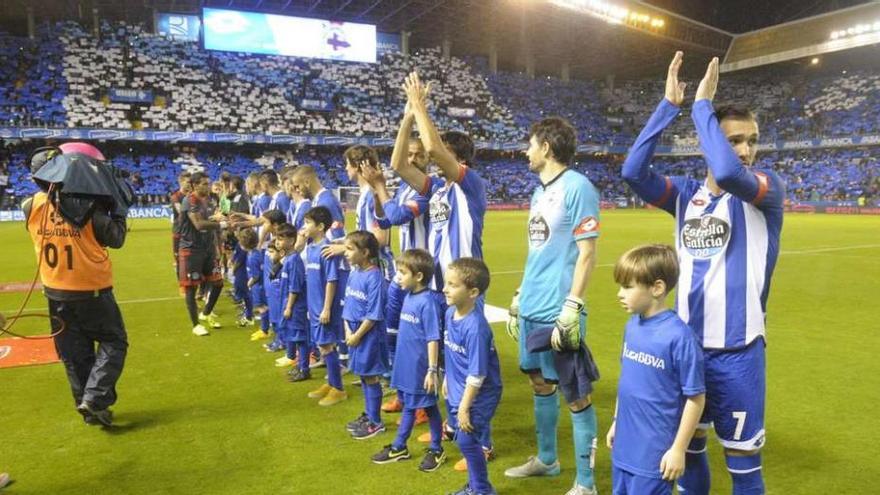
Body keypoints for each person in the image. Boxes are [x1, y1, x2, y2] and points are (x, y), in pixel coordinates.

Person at [621, 52, 785, 495]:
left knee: (744, 465)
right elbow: (633, 171)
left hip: (738, 353)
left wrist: (702, 105)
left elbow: (731, 173)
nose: (746, 150)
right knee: (689, 452)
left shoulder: (763, 193)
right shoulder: (686, 196)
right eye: (734, 140)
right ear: (712, 141)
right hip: (687, 349)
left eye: (751, 140)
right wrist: (668, 107)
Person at [504, 117, 601, 495]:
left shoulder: (578, 188)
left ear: (545, 147)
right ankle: (547, 460)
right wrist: (518, 296)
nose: (526, 151)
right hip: (531, 306)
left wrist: (573, 305)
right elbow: (538, 252)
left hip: (558, 309)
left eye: (530, 144)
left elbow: (588, 253)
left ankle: (586, 483)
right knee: (539, 382)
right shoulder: (537, 193)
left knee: (576, 394)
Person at [22, 142, 128, 426]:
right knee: (114, 342)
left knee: (74, 353)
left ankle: (89, 406)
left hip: (55, 292)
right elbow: (116, 237)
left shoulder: (30, 205)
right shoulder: (90, 208)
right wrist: (117, 205)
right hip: (92, 290)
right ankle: (94, 398)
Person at [607, 245, 706, 495]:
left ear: (657, 288)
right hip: (624, 447)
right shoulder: (632, 326)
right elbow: (626, 382)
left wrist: (678, 449)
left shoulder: (679, 338)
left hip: (654, 454)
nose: (620, 293)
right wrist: (616, 422)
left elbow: (695, 398)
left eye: (628, 287)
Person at [361, 112, 439, 419]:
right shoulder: (406, 190)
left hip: (420, 277)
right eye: (410, 154)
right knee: (394, 334)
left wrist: (381, 187)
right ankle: (404, 394)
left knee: (415, 340)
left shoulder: (425, 188)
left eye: (419, 155)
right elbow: (383, 219)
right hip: (400, 273)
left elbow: (397, 218)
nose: (415, 158)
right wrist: (378, 192)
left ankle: (419, 404)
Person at [371, 249, 446, 472]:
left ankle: (426, 448)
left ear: (419, 276)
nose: (399, 277)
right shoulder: (409, 297)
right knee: (414, 405)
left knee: (426, 407)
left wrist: (432, 369)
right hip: (405, 366)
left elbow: (433, 337)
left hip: (420, 368)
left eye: (403, 272)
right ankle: (404, 446)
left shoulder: (428, 302)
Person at [442, 258, 502, 495]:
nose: (445, 289)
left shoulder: (476, 328)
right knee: (463, 441)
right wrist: (447, 378)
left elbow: (477, 374)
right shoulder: (449, 314)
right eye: (446, 283)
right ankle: (476, 486)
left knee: (467, 441)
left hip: (479, 395)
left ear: (473, 292)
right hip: (458, 389)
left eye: (453, 285)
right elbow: (452, 351)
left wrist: (465, 407)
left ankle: (482, 490)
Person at [342, 231, 389, 439]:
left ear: (365, 252)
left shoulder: (375, 277)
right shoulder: (354, 273)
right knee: (363, 374)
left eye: (350, 249)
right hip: (353, 333)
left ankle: (376, 422)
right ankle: (369, 414)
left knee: (371, 376)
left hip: (367, 335)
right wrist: (347, 330)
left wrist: (357, 335)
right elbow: (348, 304)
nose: (346, 253)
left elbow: (374, 313)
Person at [302, 206, 347, 406]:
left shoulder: (326, 250)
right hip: (314, 307)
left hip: (324, 307)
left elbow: (331, 280)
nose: (304, 226)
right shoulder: (310, 248)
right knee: (322, 345)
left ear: (320, 227)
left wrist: (327, 308)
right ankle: (331, 383)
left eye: (308, 223)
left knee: (327, 345)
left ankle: (338, 389)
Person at [178, 172, 228, 336]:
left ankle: (205, 313)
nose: (208, 186)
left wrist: (216, 246)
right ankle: (196, 325)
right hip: (191, 250)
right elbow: (199, 224)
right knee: (191, 288)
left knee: (218, 283)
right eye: (204, 184)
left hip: (208, 250)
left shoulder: (209, 200)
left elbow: (209, 224)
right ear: (194, 185)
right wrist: (221, 224)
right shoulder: (189, 200)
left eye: (208, 183)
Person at [276, 224, 308, 373]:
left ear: (291, 241)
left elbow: (295, 287)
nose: (278, 242)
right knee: (293, 335)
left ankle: (304, 369)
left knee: (300, 337)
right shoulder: (287, 259)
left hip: (296, 306)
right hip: (288, 304)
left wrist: (289, 307)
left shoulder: (294, 260)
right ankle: (299, 365)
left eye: (281, 239)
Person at [232, 228, 256, 327]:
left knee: (246, 294)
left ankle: (249, 316)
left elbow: (239, 261)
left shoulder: (251, 253)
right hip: (242, 272)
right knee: (245, 294)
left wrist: (233, 269)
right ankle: (247, 314)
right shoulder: (242, 247)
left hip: (242, 272)